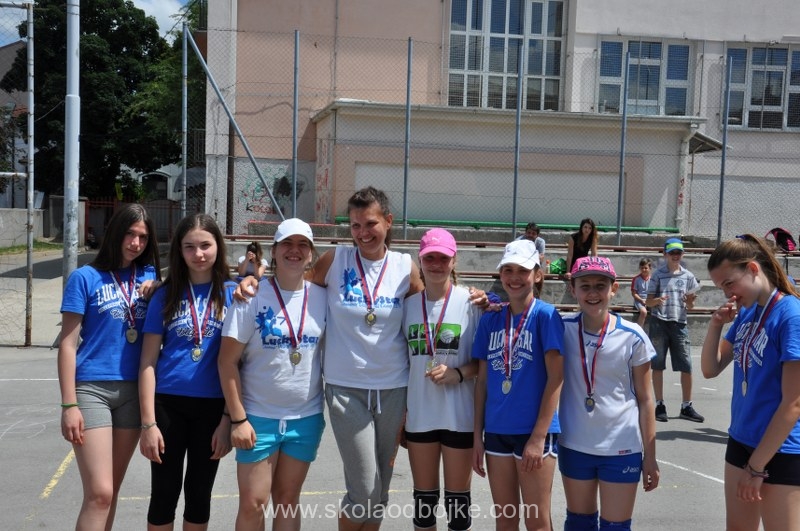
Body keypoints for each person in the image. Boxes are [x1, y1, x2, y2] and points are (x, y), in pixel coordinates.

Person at [58, 203, 161, 530]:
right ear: (115, 232)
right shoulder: (84, 278)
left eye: (143, 237)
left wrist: (161, 286)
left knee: (111, 490)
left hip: (134, 392)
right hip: (92, 389)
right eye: (130, 234)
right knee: (99, 492)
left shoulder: (149, 277)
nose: (136, 243)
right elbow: (67, 344)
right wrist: (69, 405)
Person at [220, 217, 327, 530]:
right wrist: (238, 419)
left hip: (305, 417)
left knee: (288, 500)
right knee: (253, 503)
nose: (295, 250)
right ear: (275, 251)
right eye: (287, 244)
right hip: (258, 418)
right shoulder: (250, 296)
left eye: (303, 244)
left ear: (311, 253)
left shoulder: (323, 296)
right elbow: (227, 362)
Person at [138, 213, 235, 530]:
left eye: (206, 245)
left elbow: (240, 364)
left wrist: (228, 419)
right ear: (179, 250)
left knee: (199, 494)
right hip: (168, 405)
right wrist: (148, 424)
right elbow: (148, 362)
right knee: (163, 494)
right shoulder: (164, 295)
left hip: (213, 408)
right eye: (189, 246)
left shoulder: (234, 294)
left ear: (218, 246)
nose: (199, 254)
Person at [701, 234, 800, 531]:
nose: (727, 294)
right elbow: (710, 368)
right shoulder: (747, 313)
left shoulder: (791, 316)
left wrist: (757, 467)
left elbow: (794, 403)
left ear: (753, 269)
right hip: (741, 439)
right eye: (721, 287)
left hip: (781, 449)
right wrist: (716, 325)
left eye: (729, 283)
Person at [559, 256, 659, 531]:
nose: (593, 293)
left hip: (621, 448)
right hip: (575, 445)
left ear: (613, 289)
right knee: (579, 525)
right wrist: (489, 303)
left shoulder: (633, 335)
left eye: (600, 286)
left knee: (616, 526)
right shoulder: (561, 328)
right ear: (573, 289)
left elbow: (646, 399)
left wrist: (650, 456)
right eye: (585, 286)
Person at [472, 239, 564, 531]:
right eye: (508, 270)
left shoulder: (546, 316)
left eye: (522, 270)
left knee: (537, 521)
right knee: (505, 519)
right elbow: (482, 382)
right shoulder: (491, 319)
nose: (514, 277)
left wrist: (538, 438)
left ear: (537, 275)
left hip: (533, 432)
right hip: (496, 431)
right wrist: (477, 436)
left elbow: (556, 378)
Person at [402, 228, 481, 531]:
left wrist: (457, 374)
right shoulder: (408, 306)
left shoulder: (471, 303)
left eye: (443, 258)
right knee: (424, 506)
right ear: (420, 261)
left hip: (459, 416)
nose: (436, 264)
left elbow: (484, 363)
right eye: (430, 258)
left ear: (454, 260)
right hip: (420, 415)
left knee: (458, 509)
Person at [646, 238, 704, 423]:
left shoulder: (688, 276)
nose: (675, 255)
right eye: (672, 252)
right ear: (665, 254)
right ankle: (659, 404)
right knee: (657, 365)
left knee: (686, 366)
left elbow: (691, 306)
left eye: (678, 252)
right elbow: (648, 301)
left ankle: (686, 406)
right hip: (659, 322)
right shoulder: (657, 275)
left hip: (679, 323)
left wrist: (690, 302)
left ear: (682, 254)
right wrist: (656, 301)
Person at [631, 258, 653, 328]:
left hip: (649, 299)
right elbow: (634, 293)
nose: (644, 270)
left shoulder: (652, 279)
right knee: (644, 312)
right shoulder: (636, 279)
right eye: (642, 268)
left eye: (646, 268)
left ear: (650, 268)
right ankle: (639, 329)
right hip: (639, 300)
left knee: (656, 311)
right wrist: (641, 300)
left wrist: (650, 300)